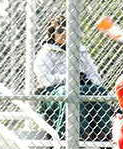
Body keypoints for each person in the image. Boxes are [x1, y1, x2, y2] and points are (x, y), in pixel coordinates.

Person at [33, 14, 112, 142]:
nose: (64, 34)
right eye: (60, 31)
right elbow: (45, 79)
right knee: (70, 91)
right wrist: (69, 78)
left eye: (68, 30)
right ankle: (81, 132)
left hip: (81, 86)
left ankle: (103, 134)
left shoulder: (81, 51)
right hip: (54, 90)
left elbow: (95, 75)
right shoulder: (46, 52)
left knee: (100, 90)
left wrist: (86, 80)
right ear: (52, 33)